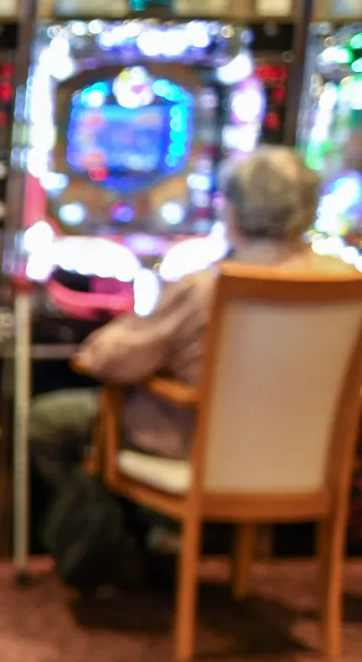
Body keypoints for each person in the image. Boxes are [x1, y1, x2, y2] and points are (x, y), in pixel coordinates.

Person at [28, 147, 349, 496]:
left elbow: (106, 360)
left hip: (201, 451)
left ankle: (147, 540)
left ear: (231, 211)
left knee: (48, 420)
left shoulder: (207, 286)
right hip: (311, 460)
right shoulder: (347, 281)